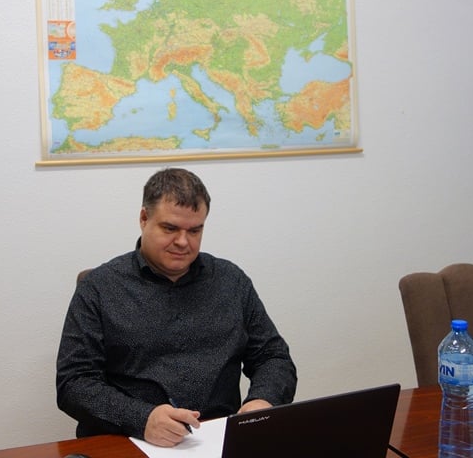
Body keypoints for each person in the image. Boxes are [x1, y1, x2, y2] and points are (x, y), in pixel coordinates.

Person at [56, 167, 297, 447]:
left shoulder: (231, 281)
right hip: (128, 439)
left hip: (217, 438)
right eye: (170, 228)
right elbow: (74, 383)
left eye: (195, 230)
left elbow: (272, 357)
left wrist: (263, 401)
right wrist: (142, 418)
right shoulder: (99, 287)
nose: (183, 242)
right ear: (144, 219)